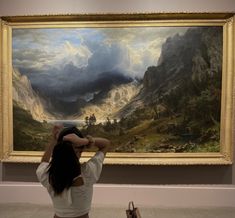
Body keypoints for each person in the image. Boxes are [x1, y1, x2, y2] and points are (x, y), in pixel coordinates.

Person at [36, 124, 110, 218]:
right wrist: (86, 141)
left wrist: (54, 140)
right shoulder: (87, 172)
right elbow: (106, 144)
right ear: (79, 150)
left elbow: (44, 162)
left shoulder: (47, 174)